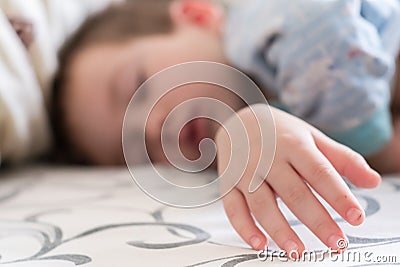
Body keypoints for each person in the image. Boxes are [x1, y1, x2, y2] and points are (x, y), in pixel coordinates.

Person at [51, 0, 398, 256]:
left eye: (138, 85)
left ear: (196, 13)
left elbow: (328, 47)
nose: (152, 128)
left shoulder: (263, 20)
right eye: (133, 146)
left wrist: (378, 149)